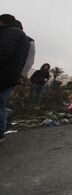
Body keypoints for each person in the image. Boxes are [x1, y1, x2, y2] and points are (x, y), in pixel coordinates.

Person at [0, 14, 31, 143]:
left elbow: (3, 51)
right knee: (1, 102)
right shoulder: (22, 36)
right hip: (12, 75)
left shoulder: (12, 32)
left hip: (5, 74)